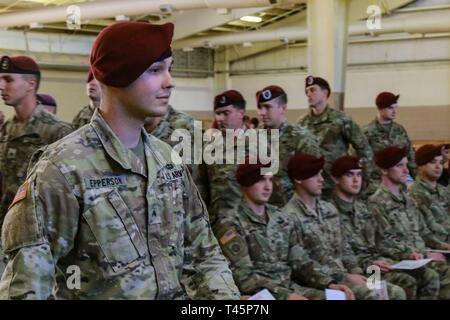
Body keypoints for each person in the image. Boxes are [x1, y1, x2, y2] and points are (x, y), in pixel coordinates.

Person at [0, 21, 239, 300]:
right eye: (155, 70)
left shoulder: (167, 160)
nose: (169, 81)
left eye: (169, 69)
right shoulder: (62, 170)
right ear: (116, 75)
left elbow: (205, 254)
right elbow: (26, 287)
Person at [214, 159, 354, 300]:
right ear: (246, 183)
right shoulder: (231, 223)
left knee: (339, 297)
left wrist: (329, 284)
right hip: (263, 295)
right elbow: (244, 277)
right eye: (261, 180)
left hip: (291, 288)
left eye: (270, 180)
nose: (268, 187)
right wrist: (286, 295)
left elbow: (301, 262)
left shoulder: (280, 217)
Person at [330, 155, 428, 300]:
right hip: (353, 270)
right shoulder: (329, 212)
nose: (356, 180)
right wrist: (367, 265)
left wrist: (406, 254)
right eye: (349, 175)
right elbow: (338, 253)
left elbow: (382, 240)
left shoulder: (363, 208)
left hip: (373, 265)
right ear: (336, 179)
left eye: (359, 175)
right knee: (392, 290)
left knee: (417, 277)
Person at [283, 152, 378, 300]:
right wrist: (342, 277)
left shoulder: (329, 209)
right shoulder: (288, 217)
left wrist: (356, 271)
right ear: (298, 179)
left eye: (321, 174)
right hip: (320, 283)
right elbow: (302, 266)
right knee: (371, 294)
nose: (321, 180)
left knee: (389, 289)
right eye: (315, 175)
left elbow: (345, 248)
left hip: (345, 275)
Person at [368, 146, 450, 299]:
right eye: (400, 166)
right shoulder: (376, 203)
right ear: (385, 170)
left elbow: (424, 233)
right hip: (402, 259)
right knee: (433, 275)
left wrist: (444, 247)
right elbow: (383, 242)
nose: (406, 170)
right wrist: (421, 253)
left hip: (421, 256)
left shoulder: (408, 200)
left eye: (406, 165)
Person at [0, 55, 72, 229]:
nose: (1, 86)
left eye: (8, 80)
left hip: (37, 231)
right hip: (6, 226)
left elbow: (67, 193)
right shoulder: (6, 130)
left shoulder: (57, 131)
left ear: (30, 84)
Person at [299, 76, 373, 199]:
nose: (308, 94)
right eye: (307, 91)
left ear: (325, 93)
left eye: (312, 90)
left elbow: (363, 147)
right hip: (312, 187)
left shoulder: (340, 119)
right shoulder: (302, 123)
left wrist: (363, 178)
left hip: (337, 186)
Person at [256, 84, 321, 207]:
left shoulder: (301, 138)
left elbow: (312, 183)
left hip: (291, 214)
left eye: (267, 107)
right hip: (259, 215)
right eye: (260, 107)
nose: (262, 112)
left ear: (283, 108)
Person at [202, 89, 249, 226]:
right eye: (218, 113)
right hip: (216, 223)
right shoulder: (208, 145)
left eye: (226, 113)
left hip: (246, 225)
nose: (220, 118)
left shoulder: (258, 145)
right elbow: (202, 186)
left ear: (241, 113)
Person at [362, 92, 415, 196]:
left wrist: (417, 180)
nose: (395, 111)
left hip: (399, 185)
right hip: (376, 185)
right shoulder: (367, 132)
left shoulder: (399, 130)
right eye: (390, 108)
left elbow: (410, 156)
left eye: (396, 107)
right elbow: (359, 160)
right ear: (380, 109)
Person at [410, 144, 450, 245]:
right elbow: (426, 231)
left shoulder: (443, 190)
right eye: (432, 162)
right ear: (420, 165)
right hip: (437, 247)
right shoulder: (414, 193)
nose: (438, 167)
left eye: (441, 162)